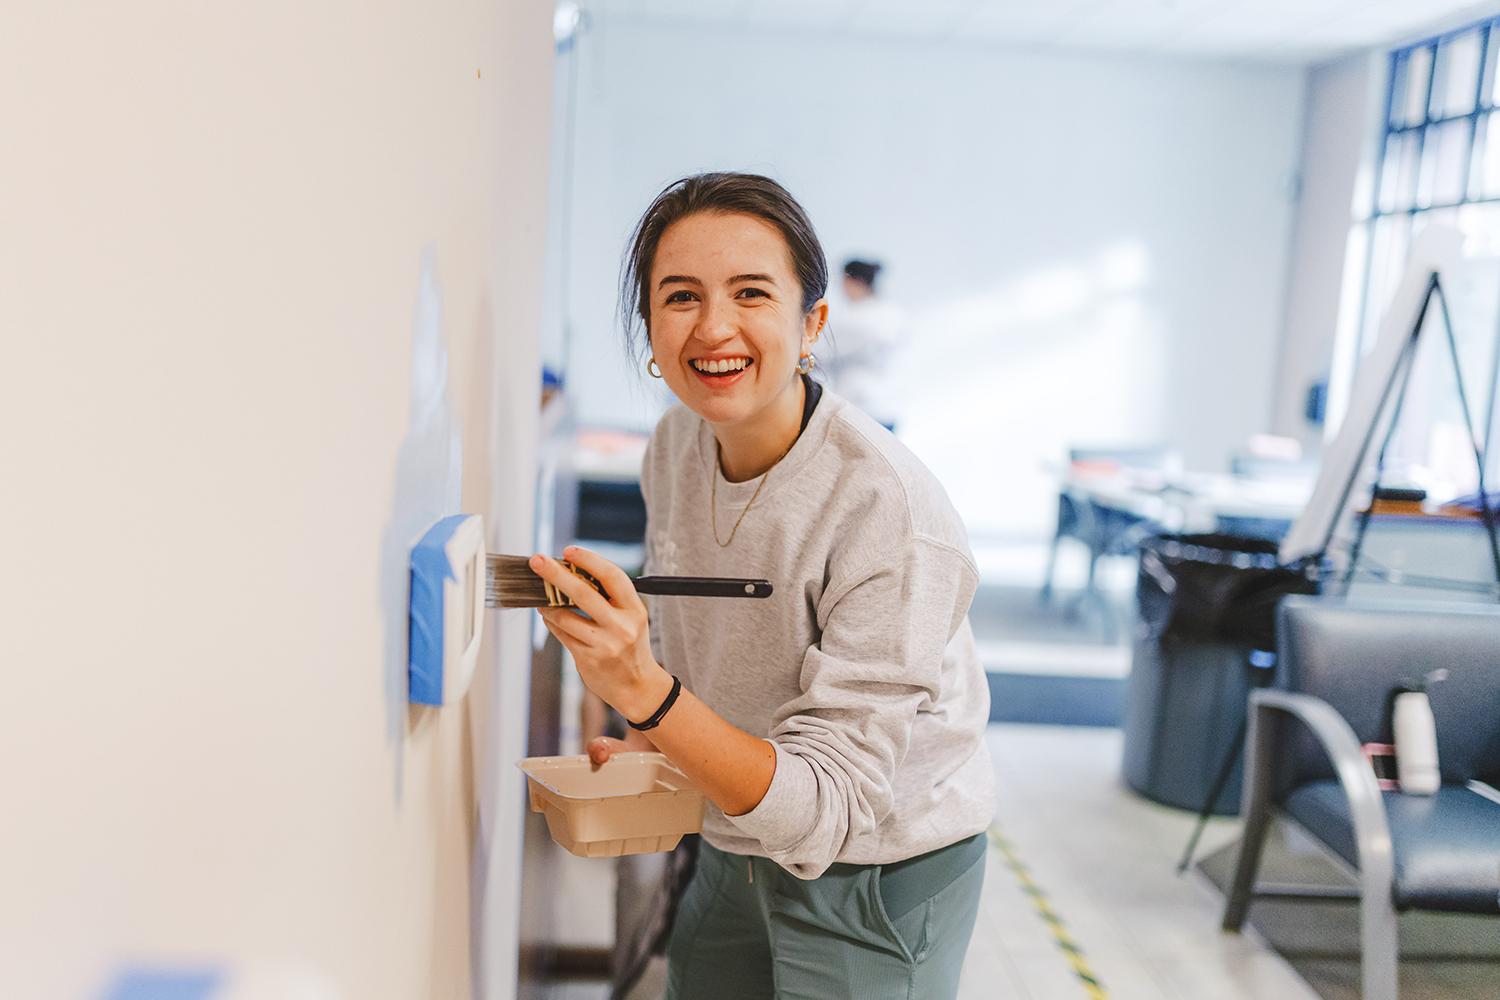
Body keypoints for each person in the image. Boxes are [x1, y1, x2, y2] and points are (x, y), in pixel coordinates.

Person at [528, 172, 994, 1000]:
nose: (713, 328)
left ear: (811, 323)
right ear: (648, 327)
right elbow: (686, 628)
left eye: (750, 293)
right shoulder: (675, 443)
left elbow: (835, 805)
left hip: (877, 864)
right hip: (739, 828)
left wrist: (647, 695)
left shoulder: (887, 509)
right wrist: (653, 739)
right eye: (680, 297)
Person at [821, 257, 903, 431]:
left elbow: (820, 353)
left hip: (858, 409)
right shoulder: (894, 314)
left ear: (853, 281)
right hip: (888, 407)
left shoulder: (853, 319)